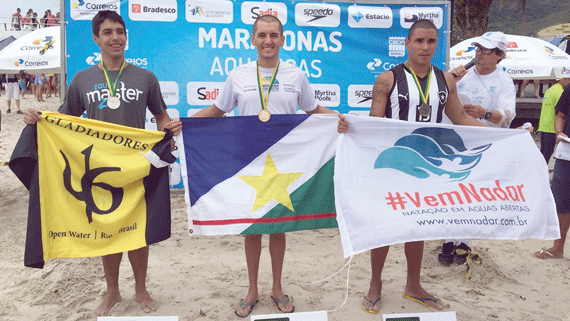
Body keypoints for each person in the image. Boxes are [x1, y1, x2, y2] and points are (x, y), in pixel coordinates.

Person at [23, 10, 182, 317]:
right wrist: (37, 120)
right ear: (95, 38)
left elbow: (161, 117)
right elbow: (63, 119)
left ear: (126, 36)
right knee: (108, 231)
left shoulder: (145, 77)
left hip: (136, 167)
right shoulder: (83, 79)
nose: (115, 37)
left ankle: (140, 289)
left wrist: (168, 134)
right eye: (107, 32)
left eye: (120, 31)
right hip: (97, 169)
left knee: (137, 230)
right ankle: (112, 292)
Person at [337, 19, 488, 313]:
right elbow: (375, 123)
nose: (425, 47)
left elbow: (461, 120)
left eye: (431, 41)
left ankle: (413, 285)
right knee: (384, 225)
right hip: (393, 164)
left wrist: (503, 132)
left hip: (426, 164)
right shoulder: (387, 79)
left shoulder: (446, 80)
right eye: (419, 41)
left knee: (417, 223)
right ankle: (375, 284)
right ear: (407, 43)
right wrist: (350, 125)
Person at [193, 14, 336, 318]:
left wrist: (341, 119)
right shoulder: (238, 76)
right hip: (248, 163)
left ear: (283, 40)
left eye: (274, 35)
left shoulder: (296, 75)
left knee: (279, 227)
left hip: (284, 162)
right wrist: (188, 124)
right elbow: (218, 110)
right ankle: (252, 290)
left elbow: (313, 109)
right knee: (252, 228)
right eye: (262, 35)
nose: (268, 41)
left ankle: (277, 288)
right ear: (252, 40)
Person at [440, 31, 516, 265]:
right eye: (478, 48)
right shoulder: (461, 74)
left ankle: (465, 242)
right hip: (454, 141)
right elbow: (436, 97)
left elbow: (508, 116)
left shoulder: (504, 81)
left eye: (486, 50)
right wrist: (448, 79)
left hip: (482, 144)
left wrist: (484, 113)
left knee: (471, 194)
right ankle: (446, 239)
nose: (480, 53)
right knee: (450, 191)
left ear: (499, 55)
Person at [534, 82, 570, 260]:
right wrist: (559, 132)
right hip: (567, 152)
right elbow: (561, 115)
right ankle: (558, 247)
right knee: (561, 200)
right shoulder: (569, 88)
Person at [537, 77, 570, 163]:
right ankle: (542, 173)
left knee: (543, 152)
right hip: (552, 126)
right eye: (568, 80)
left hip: (543, 125)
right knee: (547, 153)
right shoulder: (560, 92)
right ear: (562, 80)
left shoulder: (549, 90)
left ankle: (540, 171)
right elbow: (561, 111)